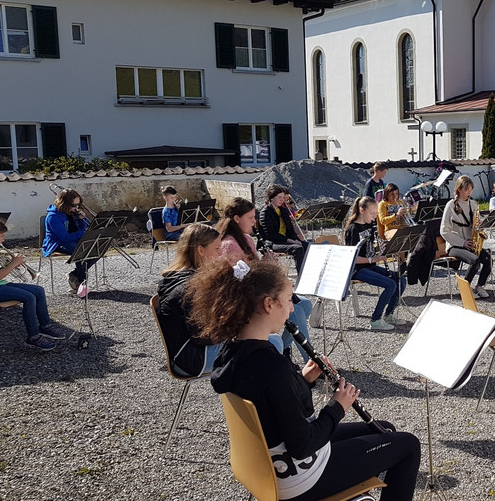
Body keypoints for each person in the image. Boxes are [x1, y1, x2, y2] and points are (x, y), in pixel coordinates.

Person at [189, 259, 421, 501]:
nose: (292, 309)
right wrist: (337, 407)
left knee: (387, 430)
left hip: (271, 462)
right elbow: (303, 445)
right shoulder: (272, 366)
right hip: (300, 476)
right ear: (269, 304)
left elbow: (274, 402)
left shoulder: (232, 352)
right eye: (289, 300)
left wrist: (303, 379)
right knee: (408, 446)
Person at [217, 197, 314, 359]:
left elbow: (255, 268)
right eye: (250, 218)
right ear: (236, 219)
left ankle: (283, 349)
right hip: (245, 299)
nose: (254, 222)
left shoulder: (247, 239)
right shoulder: (229, 244)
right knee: (295, 310)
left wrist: (267, 263)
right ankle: (311, 360)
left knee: (305, 304)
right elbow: (238, 280)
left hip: (259, 291)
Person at [0, 218, 69, 351]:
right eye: (2, 236)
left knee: (38, 290)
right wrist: (13, 263)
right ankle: (33, 337)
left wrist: (11, 264)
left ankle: (45, 326)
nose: (3, 240)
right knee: (29, 297)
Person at [156, 224, 227, 376]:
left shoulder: (177, 277)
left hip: (186, 353)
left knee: (261, 341)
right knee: (265, 343)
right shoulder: (191, 286)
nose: (221, 254)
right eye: (217, 249)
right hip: (193, 358)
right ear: (200, 250)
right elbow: (202, 336)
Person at [345, 196, 408, 331]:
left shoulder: (369, 224)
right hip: (357, 269)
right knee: (390, 284)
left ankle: (389, 315)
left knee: (401, 280)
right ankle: (375, 320)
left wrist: (383, 248)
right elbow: (351, 258)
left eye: (375, 214)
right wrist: (372, 259)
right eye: (372, 214)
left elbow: (371, 248)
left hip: (369, 266)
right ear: (362, 210)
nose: (375, 217)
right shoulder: (353, 229)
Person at [440, 176, 493, 299]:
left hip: (470, 243)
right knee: (475, 261)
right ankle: (465, 288)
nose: (469, 192)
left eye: (471, 189)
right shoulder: (451, 205)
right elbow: (444, 230)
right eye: (466, 189)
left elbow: (476, 226)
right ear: (459, 190)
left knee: (488, 259)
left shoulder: (473, 204)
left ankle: (480, 286)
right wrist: (462, 242)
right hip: (455, 245)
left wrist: (479, 225)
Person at [42, 188, 93, 293]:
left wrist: (82, 220)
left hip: (74, 239)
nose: (76, 208)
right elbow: (64, 237)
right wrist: (83, 232)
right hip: (57, 243)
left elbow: (81, 229)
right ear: (64, 204)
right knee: (80, 250)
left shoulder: (73, 213)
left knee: (97, 247)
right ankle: (81, 283)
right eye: (73, 206)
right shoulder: (53, 217)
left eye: (78, 205)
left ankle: (75, 275)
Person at [258, 185, 310, 275]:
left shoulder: (283, 210)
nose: (282, 200)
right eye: (279, 197)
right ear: (271, 198)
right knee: (297, 248)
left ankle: (309, 273)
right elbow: (271, 235)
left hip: (285, 240)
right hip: (273, 243)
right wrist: (292, 241)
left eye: (283, 197)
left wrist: (296, 240)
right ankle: (301, 276)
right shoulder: (265, 213)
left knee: (309, 246)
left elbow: (290, 230)